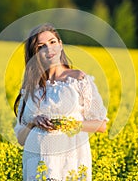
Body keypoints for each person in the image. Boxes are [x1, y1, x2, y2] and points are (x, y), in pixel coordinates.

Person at [14, 23, 108, 181]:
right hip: (37, 161)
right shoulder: (31, 86)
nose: (49, 49)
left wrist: (71, 124)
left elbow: (101, 125)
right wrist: (34, 122)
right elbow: (21, 140)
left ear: (60, 44)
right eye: (41, 46)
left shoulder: (78, 79)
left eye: (52, 42)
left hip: (69, 161)